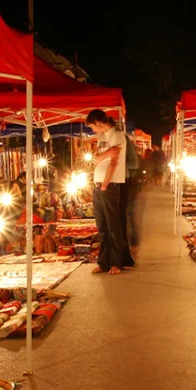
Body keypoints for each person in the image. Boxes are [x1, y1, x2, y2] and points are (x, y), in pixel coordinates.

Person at [85, 109, 133, 274]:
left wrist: (105, 184)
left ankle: (116, 263)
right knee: (102, 226)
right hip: (98, 184)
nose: (93, 130)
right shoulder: (102, 137)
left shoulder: (117, 136)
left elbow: (113, 162)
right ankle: (103, 262)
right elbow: (96, 159)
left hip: (110, 185)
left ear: (98, 122)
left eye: (92, 127)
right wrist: (106, 153)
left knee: (113, 225)